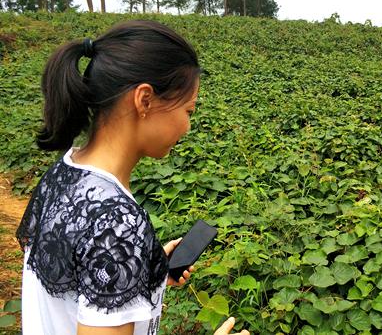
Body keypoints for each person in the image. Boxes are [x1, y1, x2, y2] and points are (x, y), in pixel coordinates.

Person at [15, 20, 250, 335]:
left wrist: (138, 272)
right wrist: (125, 254)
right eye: (188, 112)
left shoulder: (63, 172)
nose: (187, 127)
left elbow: (72, 276)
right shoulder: (116, 222)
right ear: (145, 100)